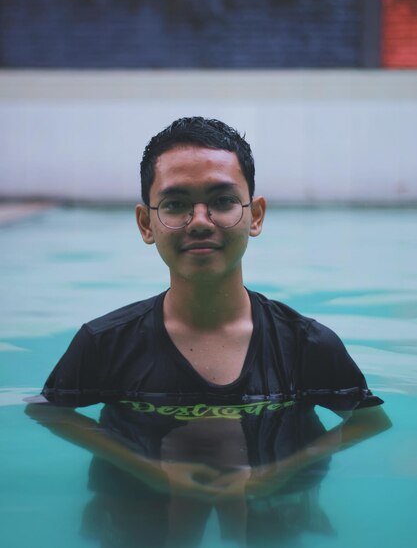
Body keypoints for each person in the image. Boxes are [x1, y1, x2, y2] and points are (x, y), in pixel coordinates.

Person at [26, 117, 391, 545]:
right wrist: (151, 472)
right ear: (146, 223)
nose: (200, 221)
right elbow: (49, 410)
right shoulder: (107, 342)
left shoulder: (305, 344)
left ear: (254, 216)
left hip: (270, 502)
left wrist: (276, 473)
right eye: (176, 204)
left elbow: (369, 421)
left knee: (261, 529)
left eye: (222, 200)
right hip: (141, 502)